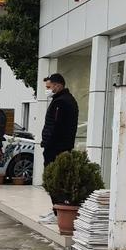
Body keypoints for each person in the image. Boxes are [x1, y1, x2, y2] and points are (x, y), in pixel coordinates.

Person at [39, 72, 80, 222]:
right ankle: (57, 210)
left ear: (58, 85)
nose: (47, 89)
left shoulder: (61, 102)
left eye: (49, 86)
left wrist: (47, 143)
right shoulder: (65, 100)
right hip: (60, 147)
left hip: (56, 148)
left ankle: (59, 211)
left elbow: (55, 127)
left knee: (55, 180)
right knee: (56, 179)